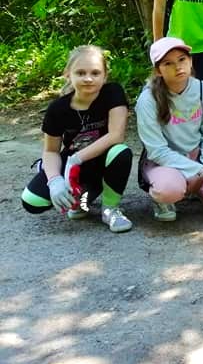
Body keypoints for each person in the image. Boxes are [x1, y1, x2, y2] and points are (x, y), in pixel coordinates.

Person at [21, 45, 134, 233]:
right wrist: (55, 181)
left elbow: (116, 135)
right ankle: (82, 198)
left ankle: (110, 208)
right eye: (80, 73)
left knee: (121, 152)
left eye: (95, 73)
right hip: (72, 167)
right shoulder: (57, 109)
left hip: (103, 161)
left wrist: (77, 158)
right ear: (68, 74)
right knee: (32, 201)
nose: (88, 78)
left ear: (105, 76)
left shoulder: (113, 93)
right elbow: (50, 151)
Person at [135, 37, 203, 222]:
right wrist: (200, 171)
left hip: (198, 158)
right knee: (169, 189)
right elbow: (157, 150)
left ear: (191, 61)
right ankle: (163, 200)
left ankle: (197, 191)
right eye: (168, 63)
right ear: (158, 70)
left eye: (182, 59)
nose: (178, 67)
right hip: (164, 163)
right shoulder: (148, 99)